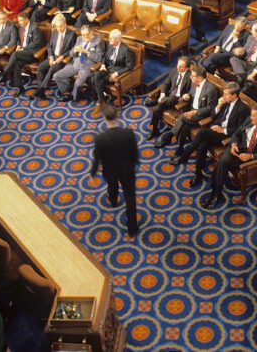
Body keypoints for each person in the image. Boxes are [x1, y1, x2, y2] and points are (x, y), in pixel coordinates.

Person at [202, 104, 257, 209]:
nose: (251, 118)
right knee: (223, 161)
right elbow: (237, 134)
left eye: (254, 116)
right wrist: (233, 144)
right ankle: (216, 191)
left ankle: (215, 192)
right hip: (239, 148)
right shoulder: (248, 120)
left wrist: (251, 156)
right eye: (251, 115)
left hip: (251, 155)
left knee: (222, 162)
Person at [91, 103, 141, 237]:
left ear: (104, 118)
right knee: (130, 198)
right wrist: (134, 163)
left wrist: (93, 173)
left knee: (112, 185)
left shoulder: (100, 138)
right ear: (117, 116)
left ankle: (113, 200)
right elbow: (135, 153)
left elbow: (97, 158)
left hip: (110, 171)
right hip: (127, 170)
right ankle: (132, 227)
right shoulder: (128, 133)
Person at [54, 24, 106, 101]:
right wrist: (74, 51)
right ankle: (68, 91)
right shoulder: (79, 39)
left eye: (87, 34)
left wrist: (86, 52)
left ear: (91, 32)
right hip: (75, 64)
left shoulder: (98, 41)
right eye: (83, 35)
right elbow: (71, 54)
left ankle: (73, 96)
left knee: (78, 84)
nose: (85, 37)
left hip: (87, 66)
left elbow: (99, 58)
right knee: (57, 76)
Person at [146, 56, 194, 139]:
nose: (178, 68)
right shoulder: (174, 71)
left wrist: (187, 95)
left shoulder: (190, 77)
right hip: (168, 97)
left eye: (181, 66)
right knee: (156, 109)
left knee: (172, 98)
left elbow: (192, 91)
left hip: (179, 100)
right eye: (177, 65)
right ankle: (154, 130)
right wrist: (162, 95)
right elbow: (165, 84)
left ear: (186, 68)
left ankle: (156, 101)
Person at [33, 13, 76, 99]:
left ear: (65, 25)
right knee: (40, 68)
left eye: (61, 26)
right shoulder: (55, 32)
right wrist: (51, 56)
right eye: (57, 26)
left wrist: (62, 57)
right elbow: (49, 46)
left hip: (62, 59)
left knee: (52, 70)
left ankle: (41, 90)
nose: (59, 28)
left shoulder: (71, 34)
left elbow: (72, 50)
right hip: (53, 57)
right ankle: (41, 90)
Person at [1, 12, 45, 94]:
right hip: (22, 53)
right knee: (17, 64)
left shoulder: (35, 28)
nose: (19, 22)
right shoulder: (21, 28)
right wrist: (18, 45)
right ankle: (20, 87)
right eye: (19, 21)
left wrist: (23, 48)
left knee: (15, 54)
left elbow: (36, 43)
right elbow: (18, 38)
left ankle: (5, 73)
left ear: (26, 19)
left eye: (21, 21)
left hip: (33, 54)